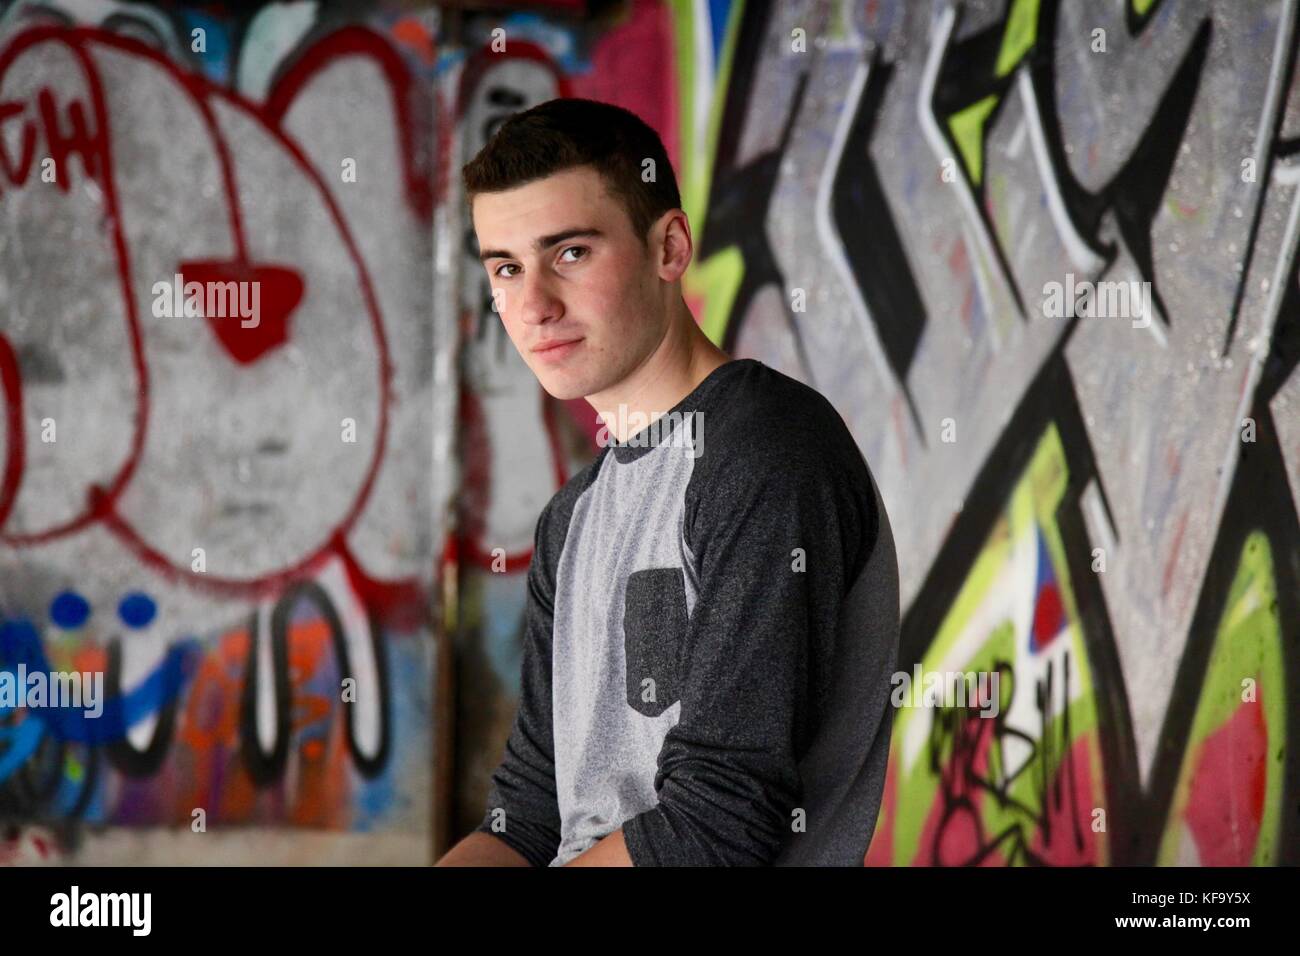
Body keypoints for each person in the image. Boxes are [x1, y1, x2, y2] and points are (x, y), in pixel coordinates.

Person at [435, 97, 899, 866]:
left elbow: (718, 824)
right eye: (507, 268)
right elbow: (528, 811)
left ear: (669, 247)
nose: (534, 305)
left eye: (571, 253)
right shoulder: (574, 516)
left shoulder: (767, 456)